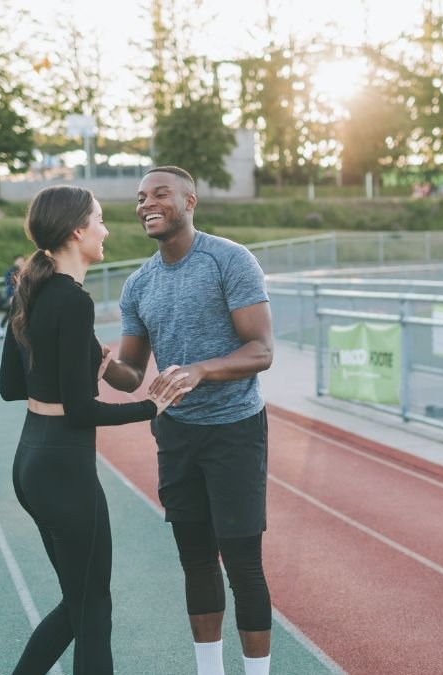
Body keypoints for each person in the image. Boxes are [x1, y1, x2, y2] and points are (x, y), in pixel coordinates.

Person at [0, 185, 191, 675]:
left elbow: (9, 385)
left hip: (31, 462)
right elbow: (81, 411)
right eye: (100, 220)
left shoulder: (32, 288)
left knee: (78, 603)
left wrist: (83, 358)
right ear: (78, 231)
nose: (106, 230)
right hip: (65, 469)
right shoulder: (73, 300)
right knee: (93, 609)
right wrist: (152, 406)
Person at [102, 166, 276, 675]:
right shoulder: (138, 284)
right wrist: (102, 364)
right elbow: (132, 374)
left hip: (235, 431)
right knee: (196, 560)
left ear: (190, 201)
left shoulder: (230, 260)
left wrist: (201, 370)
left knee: (242, 563)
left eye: (160, 194)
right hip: (176, 434)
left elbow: (261, 350)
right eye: (140, 198)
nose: (147, 204)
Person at [0, 254, 25, 340]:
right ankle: (1, 329)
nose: (20, 262)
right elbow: (9, 285)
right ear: (15, 261)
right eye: (19, 261)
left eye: (22, 260)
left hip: (24, 296)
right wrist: (12, 296)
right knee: (10, 313)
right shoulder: (10, 272)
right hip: (14, 296)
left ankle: (18, 331)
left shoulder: (26, 270)